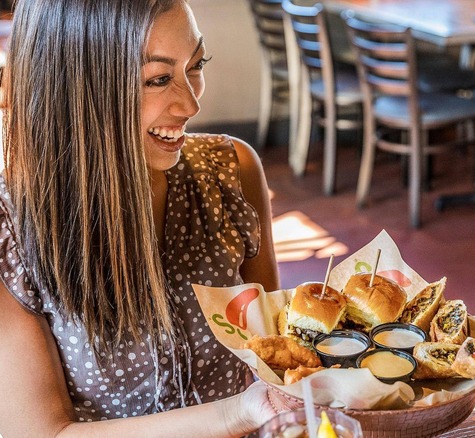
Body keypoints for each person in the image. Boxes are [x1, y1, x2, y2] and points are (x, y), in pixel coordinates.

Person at [0, 0, 281, 436]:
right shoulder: (12, 229)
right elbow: (41, 432)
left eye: (196, 64)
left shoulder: (233, 171)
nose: (190, 105)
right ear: (74, 89)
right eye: (159, 79)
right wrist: (236, 414)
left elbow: (273, 356)